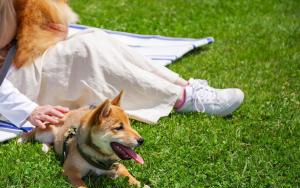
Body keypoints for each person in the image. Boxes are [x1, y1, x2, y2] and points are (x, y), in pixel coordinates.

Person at [0, 0, 244, 129]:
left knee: (93, 38)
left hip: (16, 57)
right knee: (85, 52)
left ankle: (183, 86)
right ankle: (182, 99)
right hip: (10, 82)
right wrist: (28, 110)